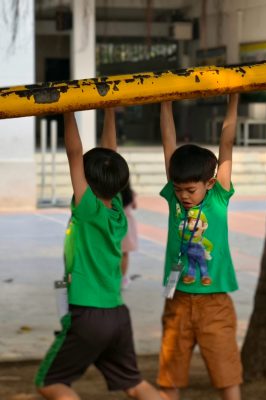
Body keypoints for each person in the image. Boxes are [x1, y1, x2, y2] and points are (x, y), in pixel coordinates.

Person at [35, 108, 161, 400]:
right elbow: (110, 153)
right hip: (117, 314)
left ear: (86, 183)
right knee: (135, 385)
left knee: (50, 382)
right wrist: (110, 108)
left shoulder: (88, 209)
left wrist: (67, 109)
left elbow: (74, 153)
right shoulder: (116, 209)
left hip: (87, 315)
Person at [158, 94, 242, 400]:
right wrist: (165, 102)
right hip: (178, 299)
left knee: (226, 374)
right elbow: (168, 143)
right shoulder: (174, 197)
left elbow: (226, 144)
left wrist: (234, 98)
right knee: (170, 375)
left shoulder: (218, 198)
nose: (183, 195)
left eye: (190, 190)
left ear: (209, 182)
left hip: (214, 302)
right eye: (179, 189)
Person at [121, 181, 139, 289]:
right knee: (125, 254)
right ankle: (123, 279)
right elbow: (135, 206)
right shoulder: (130, 193)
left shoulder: (112, 192)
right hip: (127, 225)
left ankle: (113, 277)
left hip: (115, 223)